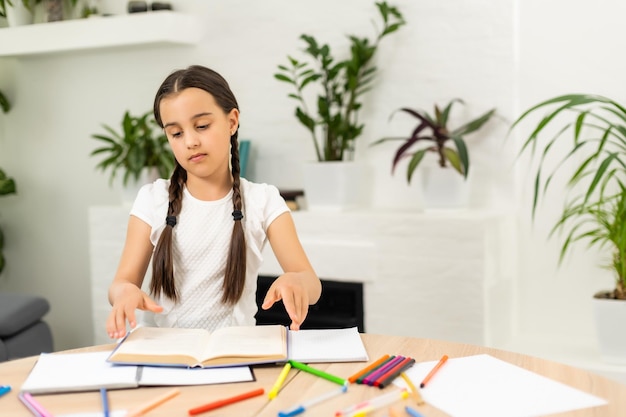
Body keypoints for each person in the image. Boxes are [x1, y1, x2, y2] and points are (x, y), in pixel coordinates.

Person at [106, 65, 321, 339]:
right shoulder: (152, 200)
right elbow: (121, 283)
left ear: (232, 122)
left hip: (235, 354)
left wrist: (297, 280)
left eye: (202, 126)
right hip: (164, 355)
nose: (191, 141)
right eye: (176, 133)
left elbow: (311, 282)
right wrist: (124, 292)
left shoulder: (263, 201)